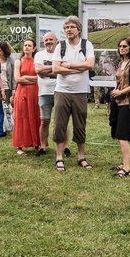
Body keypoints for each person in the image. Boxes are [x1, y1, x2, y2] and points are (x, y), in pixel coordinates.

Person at [51, 16, 96, 171]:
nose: (68, 30)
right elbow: (55, 69)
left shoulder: (86, 44)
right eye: (66, 28)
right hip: (62, 91)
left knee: (80, 124)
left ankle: (81, 156)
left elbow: (90, 64)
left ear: (78, 29)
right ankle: (59, 157)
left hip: (80, 91)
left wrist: (69, 65)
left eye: (71, 27)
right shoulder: (60, 46)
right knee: (59, 124)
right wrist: (79, 67)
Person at [108, 37, 130, 177]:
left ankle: (127, 168)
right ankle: (124, 163)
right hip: (118, 102)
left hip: (127, 103)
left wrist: (121, 92)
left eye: (124, 46)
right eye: (120, 46)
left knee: (123, 135)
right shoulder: (121, 62)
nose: (121, 48)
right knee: (119, 134)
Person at [12, 38, 43, 155]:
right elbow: (18, 79)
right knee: (21, 117)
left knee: (35, 117)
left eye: (29, 45)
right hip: (22, 93)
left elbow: (40, 78)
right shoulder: (18, 61)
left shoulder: (37, 61)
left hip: (35, 93)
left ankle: (36, 144)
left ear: (34, 48)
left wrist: (27, 78)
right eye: (25, 45)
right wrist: (34, 80)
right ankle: (19, 146)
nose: (26, 47)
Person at [34, 32, 60, 155]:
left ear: (56, 41)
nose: (48, 42)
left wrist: (46, 70)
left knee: (61, 121)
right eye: (46, 40)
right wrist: (55, 68)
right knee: (45, 121)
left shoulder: (61, 53)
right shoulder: (39, 55)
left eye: (51, 39)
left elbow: (63, 71)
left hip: (60, 91)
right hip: (44, 92)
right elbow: (38, 70)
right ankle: (43, 146)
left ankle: (63, 146)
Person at [0, 41, 16, 138]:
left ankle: (10, 128)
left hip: (7, 88)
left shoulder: (10, 60)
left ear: (4, 51)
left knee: (7, 109)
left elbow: (13, 77)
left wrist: (14, 89)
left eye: (0, 50)